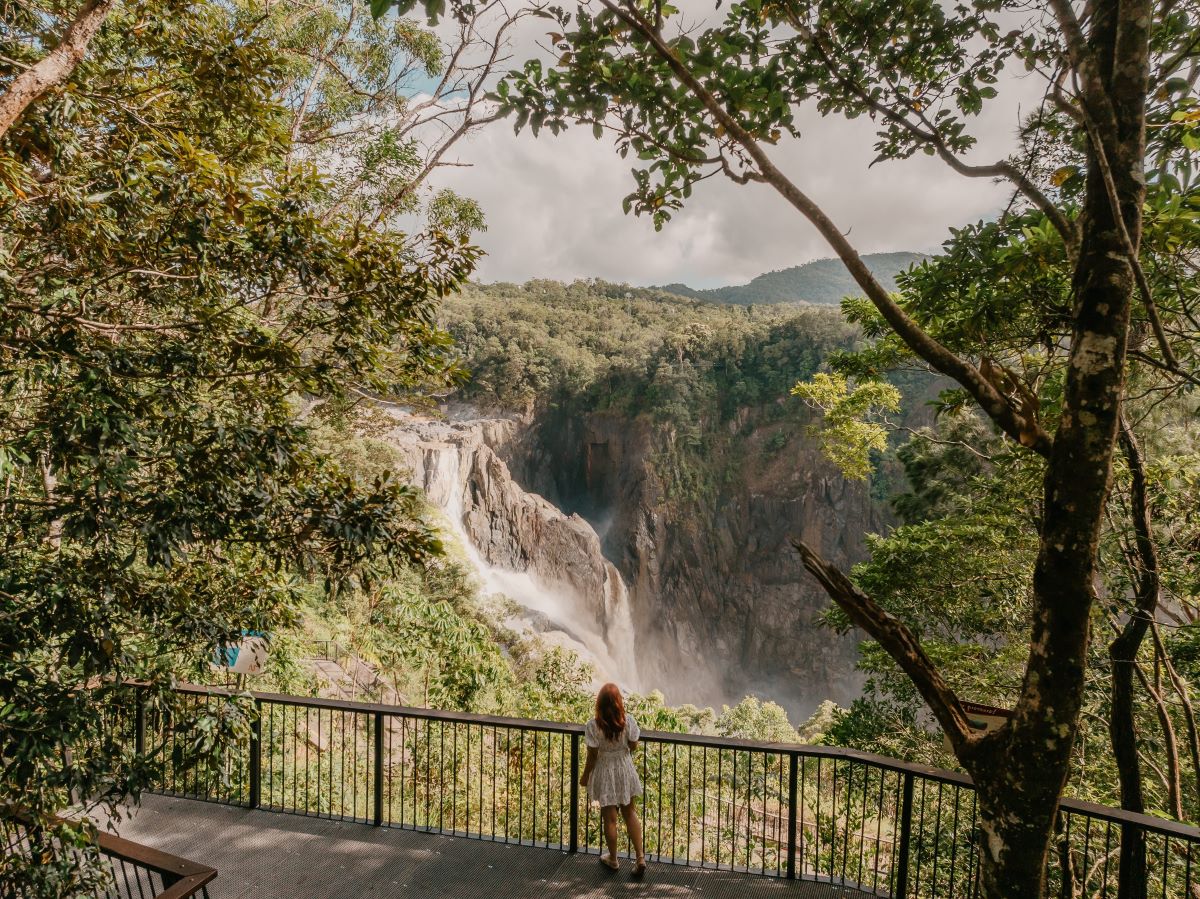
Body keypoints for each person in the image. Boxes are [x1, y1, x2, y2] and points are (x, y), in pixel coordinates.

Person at [579, 682, 646, 878]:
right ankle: (640, 858)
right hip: (624, 768)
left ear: (599, 704)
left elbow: (592, 756)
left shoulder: (592, 726)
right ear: (619, 703)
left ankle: (613, 859)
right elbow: (633, 745)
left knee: (610, 819)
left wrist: (584, 777)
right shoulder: (629, 721)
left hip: (605, 770)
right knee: (630, 812)